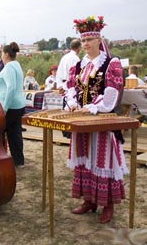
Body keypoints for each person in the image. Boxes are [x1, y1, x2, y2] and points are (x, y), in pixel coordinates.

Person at [65, 15, 128, 223]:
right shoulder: (79, 65)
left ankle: (107, 204)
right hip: (82, 123)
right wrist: (73, 102)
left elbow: (112, 94)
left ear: (99, 40)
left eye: (89, 40)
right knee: (86, 160)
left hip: (102, 123)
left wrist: (91, 108)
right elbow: (71, 88)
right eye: (82, 41)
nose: (85, 44)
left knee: (103, 161)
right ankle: (89, 200)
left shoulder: (111, 63)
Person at [0, 42, 26, 167]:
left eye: (2, 53)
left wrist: (4, 108)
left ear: (6, 54)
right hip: (18, 105)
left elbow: (11, 88)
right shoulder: (16, 65)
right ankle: (18, 161)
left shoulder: (9, 67)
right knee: (14, 134)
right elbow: (0, 83)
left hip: (10, 106)